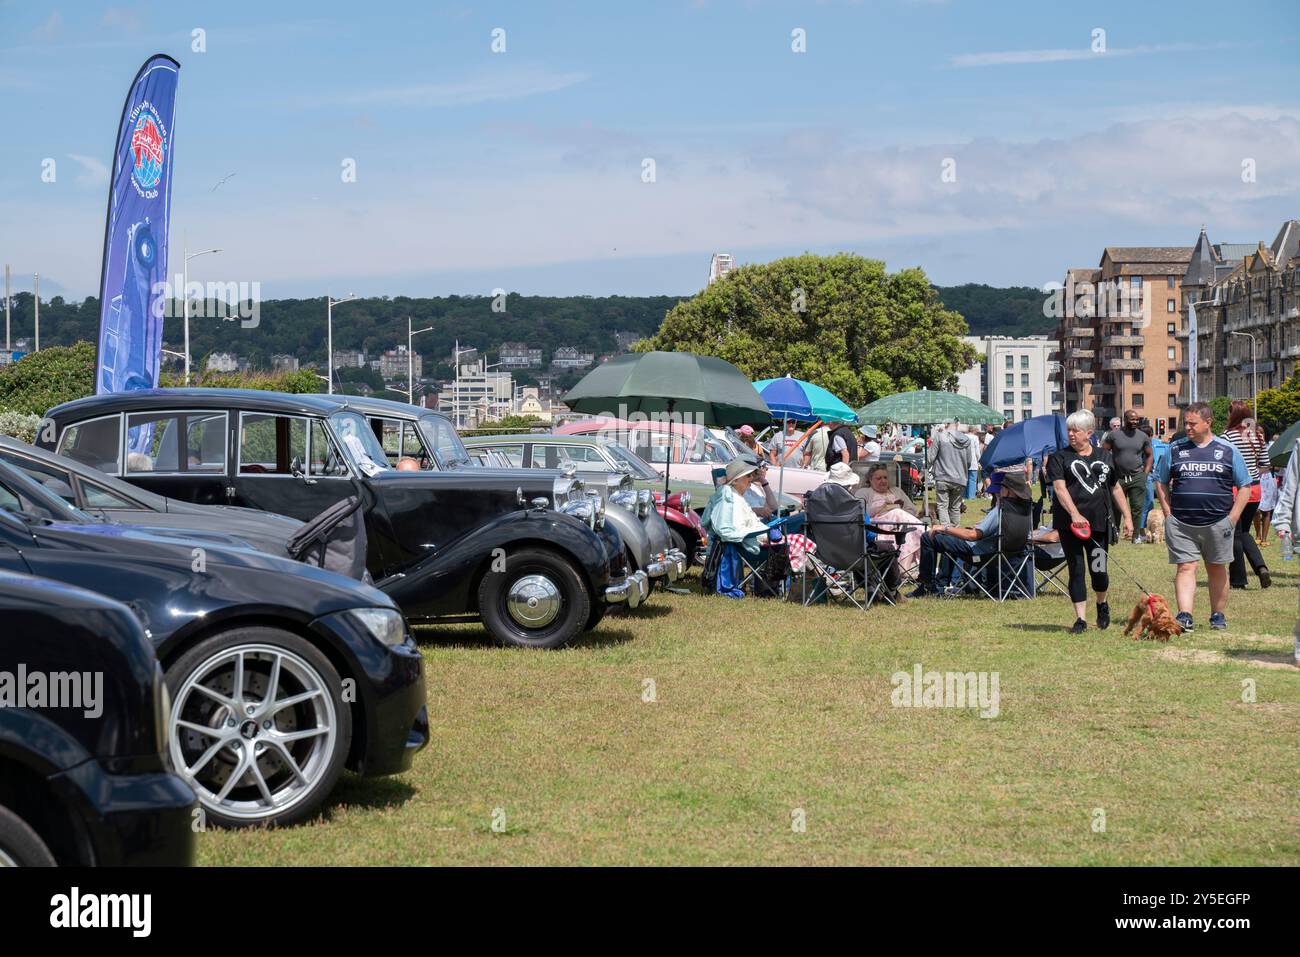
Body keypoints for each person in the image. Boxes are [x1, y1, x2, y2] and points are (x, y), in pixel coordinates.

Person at [1154, 401, 1252, 632]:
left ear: (1208, 423)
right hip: (1182, 523)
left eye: (1192, 423)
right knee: (1186, 567)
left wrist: (1233, 518)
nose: (1187, 427)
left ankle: (1217, 615)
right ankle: (1185, 615)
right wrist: (1168, 512)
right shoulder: (1175, 449)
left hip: (1218, 522)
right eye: (1185, 423)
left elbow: (1245, 485)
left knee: (1217, 568)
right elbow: (1161, 480)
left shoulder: (1228, 450)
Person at [1048, 410, 1134, 634]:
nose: (1071, 434)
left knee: (1099, 570)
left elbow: (1115, 487)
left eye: (1075, 430)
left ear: (1088, 433)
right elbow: (1059, 488)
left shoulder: (1105, 456)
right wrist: (1075, 514)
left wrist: (1127, 516)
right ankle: (1081, 619)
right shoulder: (1059, 457)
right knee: (1076, 569)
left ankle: (1102, 604)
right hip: (1070, 524)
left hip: (1098, 523)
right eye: (1069, 430)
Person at [910, 469, 1031, 596]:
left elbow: (973, 536)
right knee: (949, 537)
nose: (998, 492)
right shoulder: (1024, 510)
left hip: (980, 553)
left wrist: (944, 528)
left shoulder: (1001, 510)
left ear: (1009, 491)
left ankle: (926, 586)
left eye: (1001, 489)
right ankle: (943, 582)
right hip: (1005, 554)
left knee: (928, 537)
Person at [1221, 401, 1272, 590]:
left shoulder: (1227, 436)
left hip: (1235, 489)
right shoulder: (1258, 436)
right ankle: (1261, 567)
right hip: (1255, 489)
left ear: (1233, 415)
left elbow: (1222, 462)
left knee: (1234, 534)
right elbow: (1265, 464)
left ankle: (1238, 579)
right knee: (1244, 532)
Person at [855, 463, 922, 571]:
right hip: (878, 527)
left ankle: (905, 568)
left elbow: (912, 510)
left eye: (885, 477)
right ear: (870, 480)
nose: (883, 481)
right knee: (899, 515)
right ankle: (925, 533)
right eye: (878, 478)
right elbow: (860, 512)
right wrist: (883, 508)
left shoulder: (896, 491)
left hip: (901, 524)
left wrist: (900, 508)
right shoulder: (864, 492)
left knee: (904, 523)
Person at [1102, 409, 1153, 544]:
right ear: (1125, 419)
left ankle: (1136, 535)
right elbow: (1103, 453)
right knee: (1116, 507)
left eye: (1137, 419)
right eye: (1132, 419)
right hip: (1118, 477)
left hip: (1137, 476)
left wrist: (1145, 474)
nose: (1135, 421)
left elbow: (1149, 455)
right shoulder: (1114, 435)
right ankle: (1115, 532)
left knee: (1137, 507)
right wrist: (1108, 470)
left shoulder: (1143, 436)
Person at [931, 418, 973, 528]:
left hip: (942, 476)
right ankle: (955, 532)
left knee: (942, 506)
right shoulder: (966, 439)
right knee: (955, 507)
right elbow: (969, 461)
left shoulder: (939, 436)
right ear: (957, 424)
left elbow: (931, 457)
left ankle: (946, 532)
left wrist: (922, 473)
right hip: (960, 478)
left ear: (946, 424)